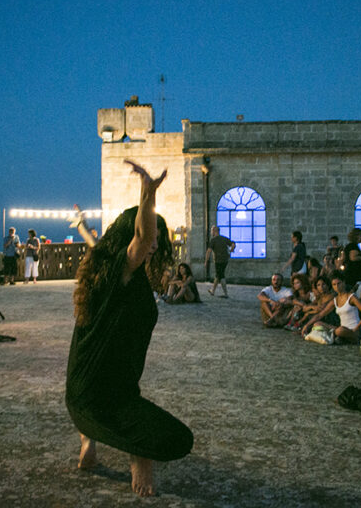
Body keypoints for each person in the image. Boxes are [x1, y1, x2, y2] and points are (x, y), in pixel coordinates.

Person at [65, 160, 192, 497]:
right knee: (178, 439)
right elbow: (141, 236)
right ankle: (140, 455)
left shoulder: (101, 268)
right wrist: (147, 194)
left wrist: (81, 225)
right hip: (102, 399)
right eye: (153, 235)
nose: (155, 242)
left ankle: (88, 441)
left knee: (111, 391)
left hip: (79, 397)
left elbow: (96, 241)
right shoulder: (120, 270)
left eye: (159, 238)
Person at [302, 273, 361, 344]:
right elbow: (320, 315)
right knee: (317, 324)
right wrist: (306, 325)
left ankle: (341, 337)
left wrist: (357, 328)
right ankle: (340, 338)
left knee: (340, 330)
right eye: (334, 284)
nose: (337, 286)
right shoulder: (335, 300)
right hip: (340, 329)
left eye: (339, 283)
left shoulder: (351, 297)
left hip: (353, 330)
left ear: (344, 282)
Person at [204, 225, 235, 297]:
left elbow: (209, 251)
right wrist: (231, 250)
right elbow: (232, 244)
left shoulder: (213, 240)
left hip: (218, 260)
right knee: (218, 275)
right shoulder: (224, 238)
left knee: (221, 276)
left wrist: (206, 261)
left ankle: (225, 293)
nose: (211, 232)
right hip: (225, 259)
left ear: (215, 231)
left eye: (212, 230)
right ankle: (212, 291)